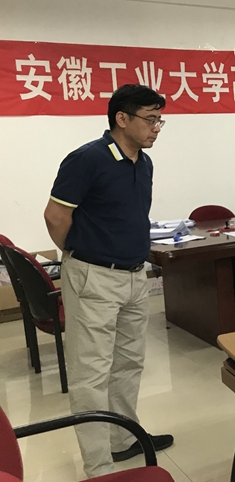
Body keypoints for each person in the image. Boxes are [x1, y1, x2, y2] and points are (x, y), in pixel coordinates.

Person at [43, 84, 173, 477]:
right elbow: (55, 216)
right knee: (91, 373)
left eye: (160, 120)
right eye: (150, 119)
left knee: (128, 364)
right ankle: (98, 464)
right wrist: (81, 255)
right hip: (93, 277)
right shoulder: (87, 159)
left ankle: (122, 439)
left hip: (134, 276)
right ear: (122, 118)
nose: (156, 128)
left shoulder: (144, 163)